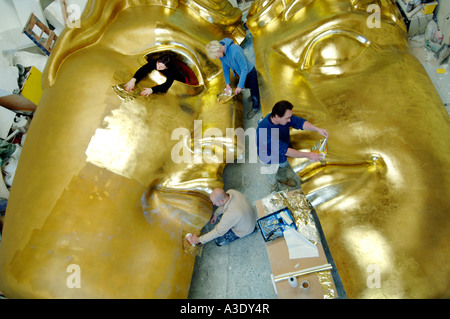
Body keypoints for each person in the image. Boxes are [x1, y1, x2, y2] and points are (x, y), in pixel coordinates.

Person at [257, 100, 329, 188]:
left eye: (290, 117)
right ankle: (273, 185)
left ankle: (283, 179)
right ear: (276, 116)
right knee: (272, 173)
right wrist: (308, 155)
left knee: (282, 169)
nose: (290, 120)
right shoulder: (263, 132)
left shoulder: (281, 118)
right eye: (287, 118)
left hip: (282, 153)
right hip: (270, 157)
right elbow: (285, 151)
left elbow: (299, 122)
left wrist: (317, 129)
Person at [206, 38, 261, 119]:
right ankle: (252, 95)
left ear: (218, 51)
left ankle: (255, 106)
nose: (217, 58)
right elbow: (225, 68)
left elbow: (244, 68)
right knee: (249, 87)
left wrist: (239, 86)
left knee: (254, 89)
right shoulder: (222, 54)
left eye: (216, 56)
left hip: (249, 72)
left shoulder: (235, 51)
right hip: (239, 73)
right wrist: (227, 84)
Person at [187, 188, 256, 246]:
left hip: (247, 228)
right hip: (250, 215)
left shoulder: (230, 215)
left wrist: (199, 240)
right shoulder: (231, 192)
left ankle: (249, 231)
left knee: (218, 241)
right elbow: (223, 205)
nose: (213, 204)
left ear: (222, 200)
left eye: (215, 203)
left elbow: (218, 231)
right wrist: (216, 214)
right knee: (230, 223)